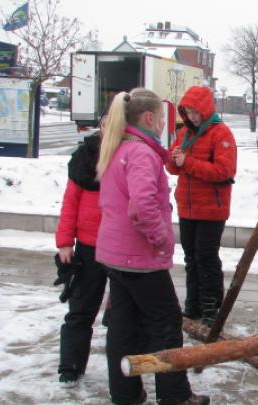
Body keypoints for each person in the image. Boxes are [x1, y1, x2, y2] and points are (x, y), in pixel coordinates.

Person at [95, 88, 209, 405]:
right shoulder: (142, 153)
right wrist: (161, 238)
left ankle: (126, 393)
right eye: (161, 118)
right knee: (166, 324)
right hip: (139, 258)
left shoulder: (117, 147)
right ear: (148, 117)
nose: (163, 124)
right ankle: (175, 396)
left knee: (123, 326)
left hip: (116, 256)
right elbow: (142, 206)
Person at [166, 86, 237, 326]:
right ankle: (193, 305)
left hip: (212, 209)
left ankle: (211, 306)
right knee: (190, 258)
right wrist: (174, 159)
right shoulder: (185, 133)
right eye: (188, 112)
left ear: (205, 109)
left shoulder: (221, 133)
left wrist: (188, 162)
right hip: (188, 207)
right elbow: (173, 168)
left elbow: (224, 171)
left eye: (195, 112)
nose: (192, 117)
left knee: (205, 256)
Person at [54, 107, 109, 387]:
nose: (109, 126)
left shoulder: (128, 154)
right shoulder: (83, 157)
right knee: (81, 309)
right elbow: (70, 202)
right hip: (88, 246)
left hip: (120, 248)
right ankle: (71, 366)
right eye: (105, 120)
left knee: (122, 313)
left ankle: (124, 366)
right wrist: (65, 241)